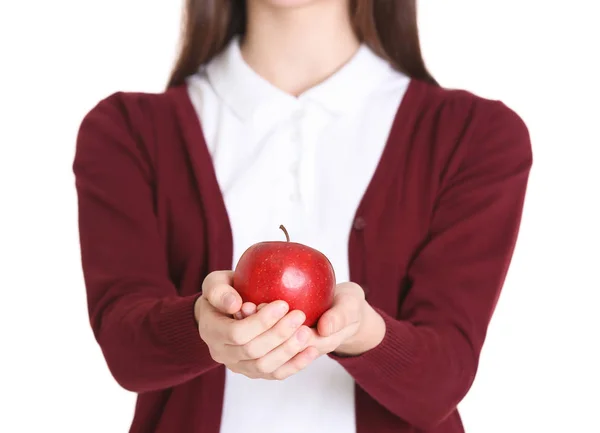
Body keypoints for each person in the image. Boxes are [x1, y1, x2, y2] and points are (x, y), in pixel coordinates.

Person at [73, 0, 533, 432]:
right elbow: (125, 349)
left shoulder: (476, 138)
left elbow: (444, 378)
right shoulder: (126, 133)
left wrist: (360, 332)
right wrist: (201, 325)